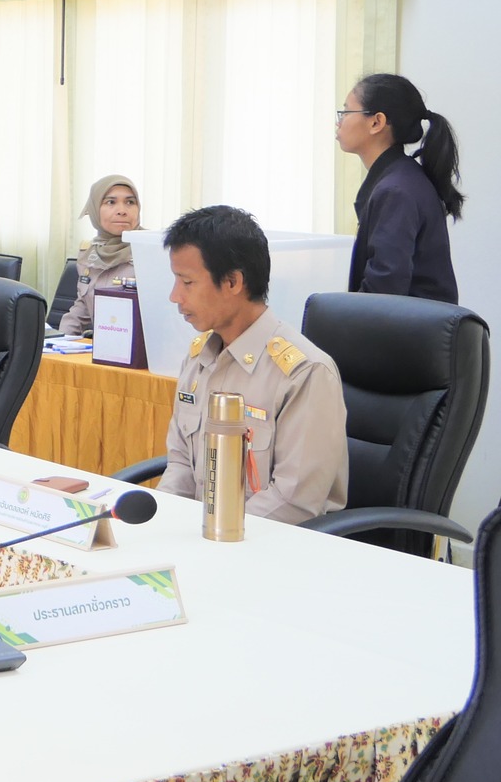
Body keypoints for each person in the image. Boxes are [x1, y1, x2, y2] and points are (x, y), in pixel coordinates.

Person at [155, 205, 348, 525]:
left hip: (272, 542)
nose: (175, 296)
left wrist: (214, 536)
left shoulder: (305, 373)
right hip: (208, 537)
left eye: (187, 282)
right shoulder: (198, 359)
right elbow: (181, 466)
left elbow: (294, 502)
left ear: (233, 282)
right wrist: (161, 523)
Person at [338, 73, 463, 303]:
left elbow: (382, 293)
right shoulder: (401, 179)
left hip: (412, 326)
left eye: (345, 112)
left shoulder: (395, 191)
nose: (339, 122)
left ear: (376, 122)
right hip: (413, 324)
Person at [59, 175, 141, 335]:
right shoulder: (88, 254)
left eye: (130, 202)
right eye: (111, 202)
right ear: (94, 209)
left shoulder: (152, 251)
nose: (122, 211)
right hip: (104, 345)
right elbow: (82, 308)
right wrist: (56, 342)